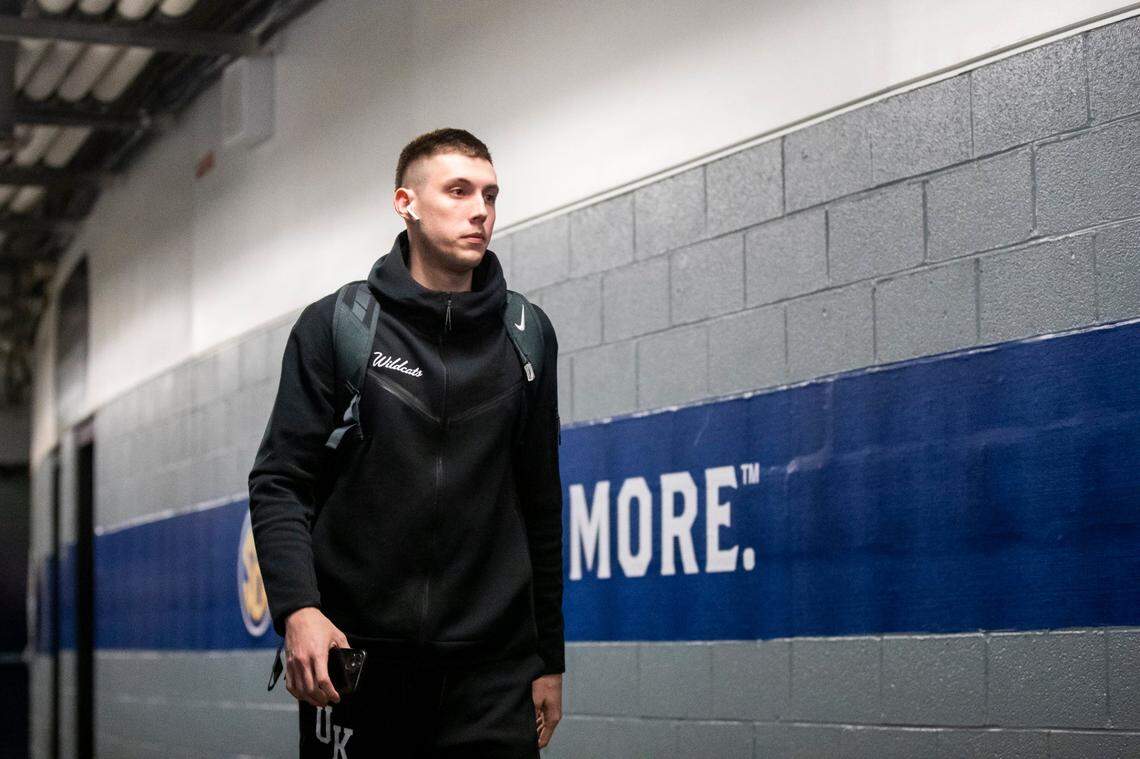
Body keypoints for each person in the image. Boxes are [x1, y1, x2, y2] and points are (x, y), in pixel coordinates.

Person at [248, 128, 564, 758]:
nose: (480, 210)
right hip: (360, 665)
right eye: (458, 190)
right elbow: (280, 479)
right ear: (406, 202)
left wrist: (547, 656)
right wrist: (298, 609)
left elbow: (540, 504)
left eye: (490, 195)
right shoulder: (338, 327)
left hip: (492, 676)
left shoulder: (525, 337)